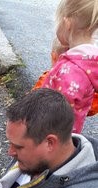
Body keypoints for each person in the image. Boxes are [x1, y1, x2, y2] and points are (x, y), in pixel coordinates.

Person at [37, 0, 98, 133]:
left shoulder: (70, 71)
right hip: (66, 139)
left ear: (67, 24)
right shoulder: (88, 63)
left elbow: (56, 113)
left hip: (50, 139)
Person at [33, 37, 98, 117]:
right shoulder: (86, 87)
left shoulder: (47, 79)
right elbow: (90, 109)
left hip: (41, 122)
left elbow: (32, 101)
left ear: (54, 57)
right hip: (68, 126)